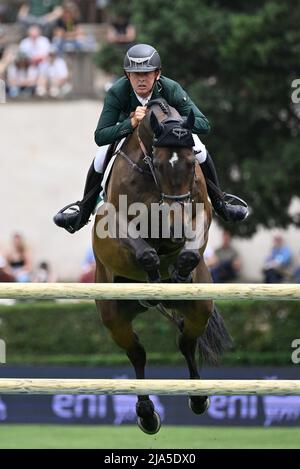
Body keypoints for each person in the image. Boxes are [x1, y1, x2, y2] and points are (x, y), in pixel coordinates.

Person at [54, 43, 249, 234]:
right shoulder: (117, 91)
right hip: (130, 135)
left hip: (171, 135)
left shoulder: (171, 88)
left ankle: (221, 203)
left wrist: (172, 119)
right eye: (135, 74)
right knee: (100, 157)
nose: (141, 80)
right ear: (127, 75)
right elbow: (100, 135)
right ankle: (83, 211)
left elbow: (203, 123)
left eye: (146, 74)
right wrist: (129, 124)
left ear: (157, 74)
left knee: (200, 149)